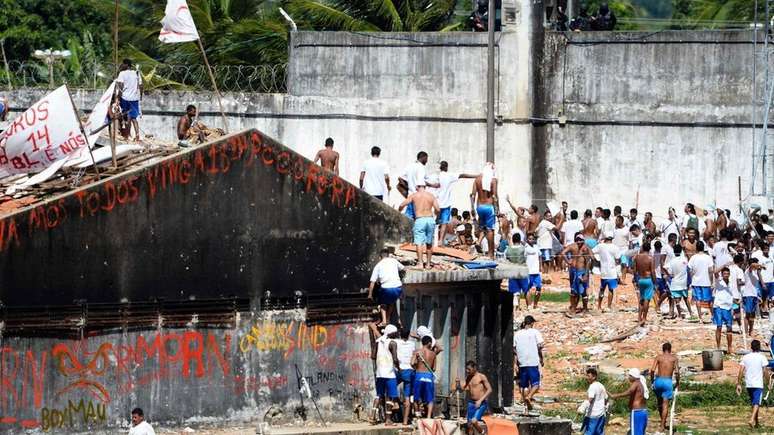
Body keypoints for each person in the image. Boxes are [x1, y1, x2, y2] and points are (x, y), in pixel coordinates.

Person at [435, 161, 478, 245]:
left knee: (436, 222)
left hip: (436, 202)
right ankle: (440, 241)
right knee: (444, 223)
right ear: (446, 167)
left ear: (440, 168)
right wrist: (476, 176)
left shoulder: (436, 176)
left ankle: (435, 240)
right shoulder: (449, 176)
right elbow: (463, 175)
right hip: (445, 203)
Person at [399, 185, 440, 269]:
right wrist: (436, 215)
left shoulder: (414, 195)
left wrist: (399, 211)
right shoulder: (431, 196)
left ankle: (420, 263)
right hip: (430, 219)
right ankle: (428, 264)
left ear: (417, 187)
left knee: (419, 243)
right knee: (429, 243)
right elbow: (438, 209)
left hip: (420, 219)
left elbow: (402, 204)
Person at [513, 315, 544, 410]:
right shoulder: (535, 332)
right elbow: (540, 346)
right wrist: (541, 358)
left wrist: (515, 363)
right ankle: (529, 397)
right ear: (531, 323)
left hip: (522, 362)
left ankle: (526, 405)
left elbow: (514, 349)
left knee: (524, 385)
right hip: (533, 361)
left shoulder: (517, 334)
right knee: (536, 384)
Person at [368, 248, 405, 327]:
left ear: (380, 257)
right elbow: (403, 268)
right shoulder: (394, 261)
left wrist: (370, 294)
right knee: (392, 302)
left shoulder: (378, 265)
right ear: (388, 255)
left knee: (382, 303)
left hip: (386, 289)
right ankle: (388, 319)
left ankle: (384, 321)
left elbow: (372, 282)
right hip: (398, 288)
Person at [372, 324, 400, 425]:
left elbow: (373, 356)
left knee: (378, 395)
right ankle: (388, 419)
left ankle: (372, 416)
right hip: (389, 373)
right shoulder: (393, 343)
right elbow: (395, 359)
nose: (396, 334)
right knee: (390, 396)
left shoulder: (378, 342)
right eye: (395, 332)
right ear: (392, 333)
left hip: (379, 373)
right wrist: (399, 367)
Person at [738, 339, 770, 428]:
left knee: (754, 403)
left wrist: (738, 383)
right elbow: (765, 371)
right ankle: (752, 419)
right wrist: (768, 382)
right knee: (757, 403)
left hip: (748, 383)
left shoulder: (746, 357)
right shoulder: (762, 357)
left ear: (751, 347)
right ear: (759, 347)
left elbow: (741, 370)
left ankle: (757, 423)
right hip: (758, 384)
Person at [470, 163, 499, 259]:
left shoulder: (477, 179)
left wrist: (472, 208)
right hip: (489, 207)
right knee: (490, 230)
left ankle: (478, 242)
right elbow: (494, 196)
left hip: (479, 207)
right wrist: (497, 209)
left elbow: (473, 195)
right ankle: (491, 254)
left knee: (483, 227)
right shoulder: (493, 180)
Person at [650, 342, 680, 434]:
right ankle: (662, 425)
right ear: (670, 349)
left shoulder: (658, 357)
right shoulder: (674, 358)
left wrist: (652, 381)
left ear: (663, 349)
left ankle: (662, 421)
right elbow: (677, 372)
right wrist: (678, 383)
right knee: (665, 404)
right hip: (667, 381)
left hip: (658, 381)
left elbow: (652, 370)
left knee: (659, 402)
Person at [398, 152, 438, 218]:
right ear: (422, 157)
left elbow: (400, 178)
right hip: (418, 198)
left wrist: (408, 187)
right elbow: (421, 183)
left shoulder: (410, 166)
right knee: (419, 218)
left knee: (409, 218)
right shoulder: (421, 168)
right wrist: (433, 185)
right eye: (426, 158)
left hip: (410, 196)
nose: (427, 161)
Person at [561, 234, 593, 315]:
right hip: (574, 270)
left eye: (580, 240)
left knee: (582, 291)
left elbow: (590, 260)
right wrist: (568, 262)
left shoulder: (585, 248)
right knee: (574, 290)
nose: (579, 241)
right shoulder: (574, 246)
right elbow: (563, 253)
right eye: (577, 240)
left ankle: (583, 308)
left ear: (583, 240)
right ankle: (573, 307)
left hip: (581, 271)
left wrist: (586, 274)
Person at [610, 368, 649, 435]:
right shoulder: (641, 383)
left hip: (637, 412)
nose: (628, 378)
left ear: (633, 376)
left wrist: (616, 395)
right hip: (643, 411)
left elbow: (630, 391)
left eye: (629, 376)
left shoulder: (636, 383)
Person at [459, 361, 492, 435]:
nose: (467, 371)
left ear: (474, 368)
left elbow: (490, 389)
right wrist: (458, 384)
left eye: (469, 369)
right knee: (469, 425)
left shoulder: (481, 376)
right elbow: (462, 389)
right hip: (471, 403)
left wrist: (480, 400)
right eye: (466, 369)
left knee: (474, 421)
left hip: (481, 403)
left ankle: (483, 433)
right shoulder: (468, 377)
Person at [115, 59, 143, 142]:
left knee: (126, 117)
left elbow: (120, 87)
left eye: (123, 64)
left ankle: (127, 135)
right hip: (134, 98)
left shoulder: (122, 74)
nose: (122, 65)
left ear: (127, 65)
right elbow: (141, 86)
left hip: (125, 98)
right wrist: (140, 96)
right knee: (133, 117)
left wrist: (118, 98)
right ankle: (137, 135)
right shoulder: (136, 73)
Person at [663, 245, 693, 319]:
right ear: (681, 251)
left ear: (673, 251)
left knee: (677, 300)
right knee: (686, 299)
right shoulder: (684, 259)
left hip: (675, 283)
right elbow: (689, 267)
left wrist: (668, 274)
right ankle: (691, 312)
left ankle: (679, 314)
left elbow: (664, 267)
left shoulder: (672, 261)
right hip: (683, 283)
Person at [688, 241, 714, 323]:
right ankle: (713, 316)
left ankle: (700, 318)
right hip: (706, 282)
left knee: (698, 300)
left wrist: (692, 278)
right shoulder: (708, 257)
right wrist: (711, 281)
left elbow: (689, 269)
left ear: (696, 248)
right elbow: (711, 270)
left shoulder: (693, 258)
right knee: (709, 300)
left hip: (696, 282)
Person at [411, 335, 437, 418]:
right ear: (429, 343)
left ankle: (418, 416)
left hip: (419, 375)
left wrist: (417, 365)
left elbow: (412, 363)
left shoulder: (417, 352)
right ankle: (429, 416)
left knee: (416, 398)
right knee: (430, 399)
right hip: (429, 376)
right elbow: (434, 368)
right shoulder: (433, 354)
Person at [593, 235, 620, 312]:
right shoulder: (615, 247)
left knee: (602, 289)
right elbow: (618, 260)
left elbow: (592, 251)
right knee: (611, 290)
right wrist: (618, 273)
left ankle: (599, 306)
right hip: (612, 272)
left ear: (605, 238)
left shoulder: (600, 246)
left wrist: (597, 261)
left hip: (603, 271)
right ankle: (609, 306)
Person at [632, 241, 656, 326]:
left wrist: (635, 280)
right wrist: (655, 282)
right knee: (647, 300)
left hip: (640, 279)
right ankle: (644, 318)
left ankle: (639, 318)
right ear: (649, 249)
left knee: (641, 300)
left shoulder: (637, 257)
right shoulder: (650, 258)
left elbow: (634, 271)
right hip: (648, 279)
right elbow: (653, 271)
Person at [395, 328, 415, 426]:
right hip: (410, 371)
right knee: (407, 398)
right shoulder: (412, 344)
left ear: (399, 334)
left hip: (400, 370)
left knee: (390, 387)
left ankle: (394, 402)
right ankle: (405, 421)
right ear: (408, 335)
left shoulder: (397, 342)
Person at [713, 267, 735, 353]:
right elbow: (715, 272)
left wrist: (736, 301)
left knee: (729, 327)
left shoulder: (731, 284)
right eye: (724, 274)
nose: (726, 275)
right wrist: (725, 264)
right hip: (719, 306)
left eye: (727, 273)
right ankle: (718, 347)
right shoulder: (719, 281)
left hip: (728, 307)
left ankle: (729, 347)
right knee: (719, 327)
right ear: (722, 274)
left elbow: (730, 295)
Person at [581, 367, 608, 435]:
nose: (587, 378)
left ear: (594, 377)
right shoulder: (601, 385)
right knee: (599, 432)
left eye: (589, 376)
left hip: (593, 415)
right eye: (587, 375)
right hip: (601, 414)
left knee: (589, 432)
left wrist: (583, 407)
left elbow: (590, 399)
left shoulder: (592, 387)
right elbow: (606, 398)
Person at [751, 242, 774, 316]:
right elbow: (758, 272)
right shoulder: (760, 259)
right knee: (762, 298)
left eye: (767, 249)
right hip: (764, 280)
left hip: (771, 280)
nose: (766, 250)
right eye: (765, 249)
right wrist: (762, 282)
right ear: (762, 250)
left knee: (771, 297)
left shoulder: (771, 258)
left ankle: (769, 312)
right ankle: (761, 312)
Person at [743, 258, 763, 335]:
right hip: (748, 295)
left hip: (754, 295)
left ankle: (751, 330)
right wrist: (761, 265)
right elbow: (751, 265)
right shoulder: (748, 271)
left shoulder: (755, 273)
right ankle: (746, 331)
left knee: (753, 314)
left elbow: (755, 285)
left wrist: (758, 296)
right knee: (748, 314)